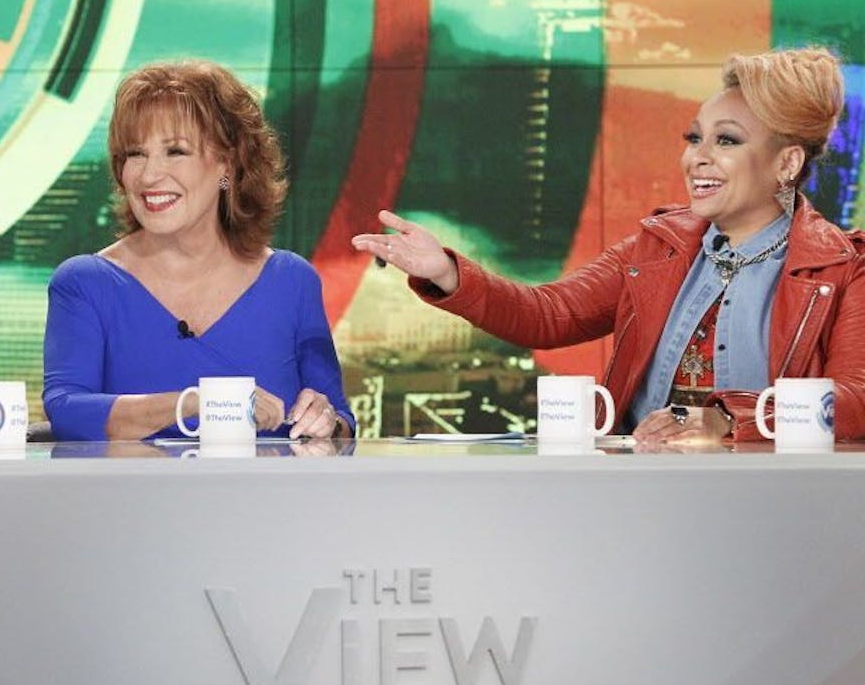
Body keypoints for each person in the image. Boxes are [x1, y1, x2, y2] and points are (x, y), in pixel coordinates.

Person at [352, 47, 865, 444]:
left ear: (787, 163)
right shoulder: (655, 247)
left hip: (770, 506)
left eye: (725, 141)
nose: (697, 159)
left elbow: (856, 399)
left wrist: (729, 420)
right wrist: (446, 272)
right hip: (641, 495)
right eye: (694, 138)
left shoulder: (844, 269)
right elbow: (548, 314)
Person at [44, 61, 354, 441]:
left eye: (175, 151)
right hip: (133, 500)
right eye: (134, 154)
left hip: (267, 499)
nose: (148, 175)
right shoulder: (85, 283)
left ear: (229, 163)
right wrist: (193, 402)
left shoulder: (292, 281)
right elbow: (66, 411)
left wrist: (326, 420)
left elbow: (341, 422)